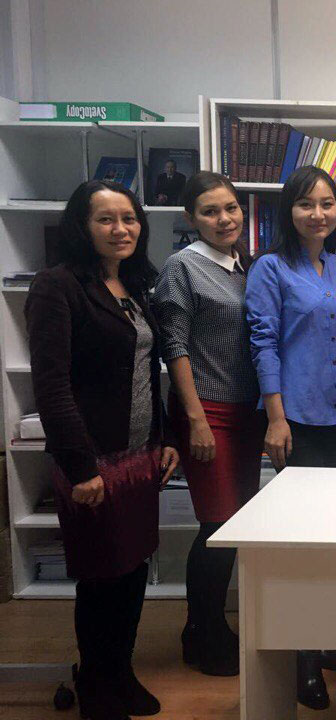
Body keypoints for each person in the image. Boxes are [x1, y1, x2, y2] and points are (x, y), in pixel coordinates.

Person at [26, 180, 180, 720]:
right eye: (106, 220)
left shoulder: (135, 285)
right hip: (91, 461)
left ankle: (121, 671)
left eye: (129, 218)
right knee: (100, 577)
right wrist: (79, 465)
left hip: (138, 456)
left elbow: (146, 373)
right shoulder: (58, 286)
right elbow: (51, 385)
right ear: (82, 226)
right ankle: (94, 680)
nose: (121, 229)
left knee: (132, 569)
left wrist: (164, 438)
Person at [245, 165, 336, 710]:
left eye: (327, 203)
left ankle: (322, 631)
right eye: (306, 204)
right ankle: (303, 657)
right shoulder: (270, 268)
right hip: (298, 417)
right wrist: (275, 417)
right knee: (302, 538)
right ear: (288, 211)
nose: (318, 213)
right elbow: (264, 343)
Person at [153, 171, 265, 678]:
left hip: (246, 413)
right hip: (208, 413)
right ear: (191, 218)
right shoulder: (183, 266)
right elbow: (174, 347)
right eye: (210, 211)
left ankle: (203, 628)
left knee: (234, 524)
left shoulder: (246, 267)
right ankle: (204, 628)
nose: (224, 219)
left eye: (231, 208)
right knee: (217, 524)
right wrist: (195, 420)